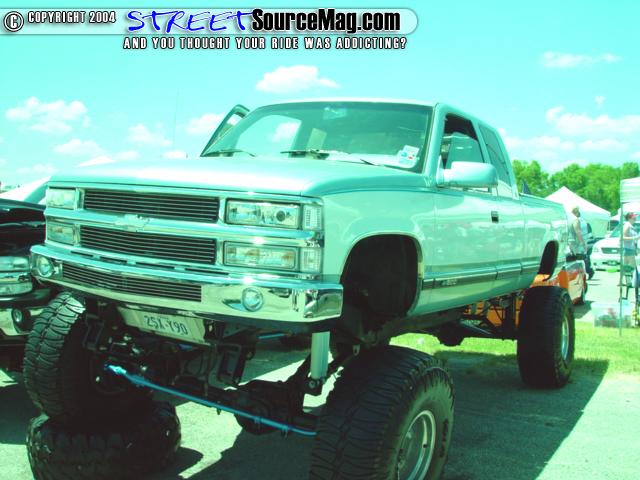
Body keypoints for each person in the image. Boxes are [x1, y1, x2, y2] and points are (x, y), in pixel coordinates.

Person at [571, 206, 595, 279]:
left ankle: (584, 274)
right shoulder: (583, 221)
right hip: (583, 242)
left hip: (577, 244)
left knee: (579, 261)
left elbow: (578, 231)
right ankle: (589, 271)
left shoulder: (576, 220)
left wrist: (582, 243)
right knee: (583, 260)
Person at [622, 212, 639, 286]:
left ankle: (622, 281)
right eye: (633, 217)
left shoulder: (630, 226)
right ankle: (635, 282)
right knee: (634, 267)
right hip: (628, 248)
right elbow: (623, 237)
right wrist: (635, 238)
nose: (635, 218)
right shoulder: (627, 226)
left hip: (629, 248)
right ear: (629, 218)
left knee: (625, 266)